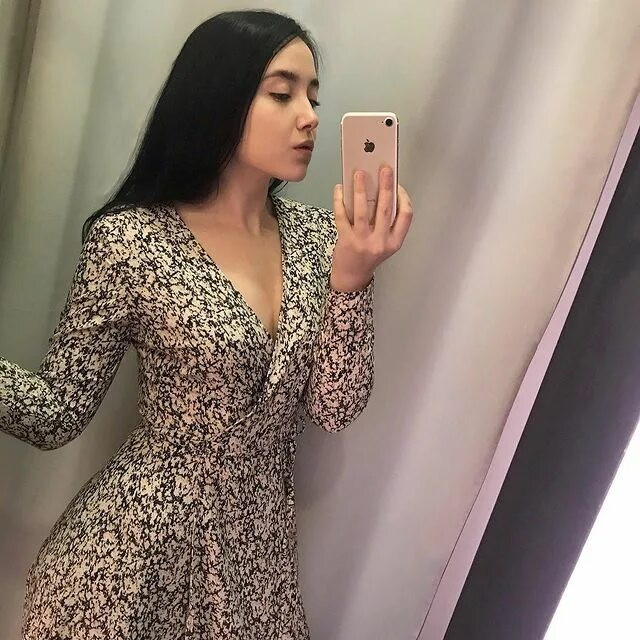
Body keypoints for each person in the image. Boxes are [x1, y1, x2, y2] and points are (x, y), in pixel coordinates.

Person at [0, 9, 412, 639]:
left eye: (313, 96)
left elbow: (335, 407)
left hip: (256, 570)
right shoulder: (133, 242)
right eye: (282, 94)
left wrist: (354, 279)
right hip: (128, 565)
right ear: (218, 96)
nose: (310, 116)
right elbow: (57, 411)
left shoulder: (317, 240)